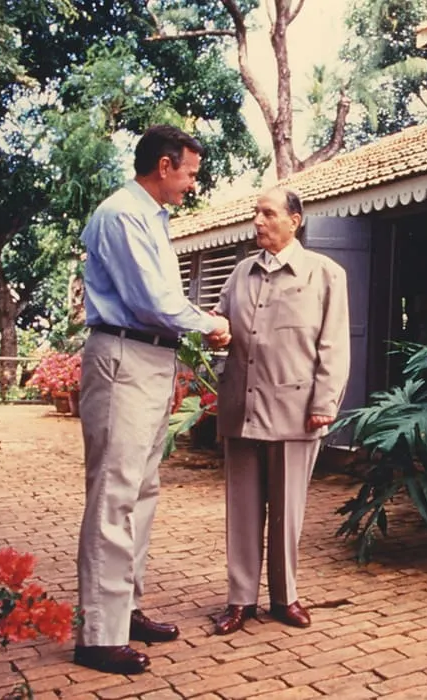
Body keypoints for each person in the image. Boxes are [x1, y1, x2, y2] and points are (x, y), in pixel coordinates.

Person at [75, 125, 232, 675]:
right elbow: (152, 302)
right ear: (164, 166)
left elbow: (158, 303)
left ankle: (124, 610)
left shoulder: (149, 218)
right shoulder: (123, 215)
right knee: (114, 494)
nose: (193, 183)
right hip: (125, 355)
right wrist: (209, 323)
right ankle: (99, 635)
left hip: (148, 358)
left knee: (141, 489)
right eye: (190, 172)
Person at [209, 187, 350, 636]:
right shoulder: (240, 273)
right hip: (242, 407)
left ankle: (285, 597)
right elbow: (220, 319)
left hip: (296, 410)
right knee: (242, 511)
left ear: (294, 220)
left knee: (287, 512)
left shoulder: (325, 274)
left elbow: (334, 345)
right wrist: (216, 332)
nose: (258, 221)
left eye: (268, 213)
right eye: (256, 213)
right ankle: (240, 599)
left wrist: (324, 403)